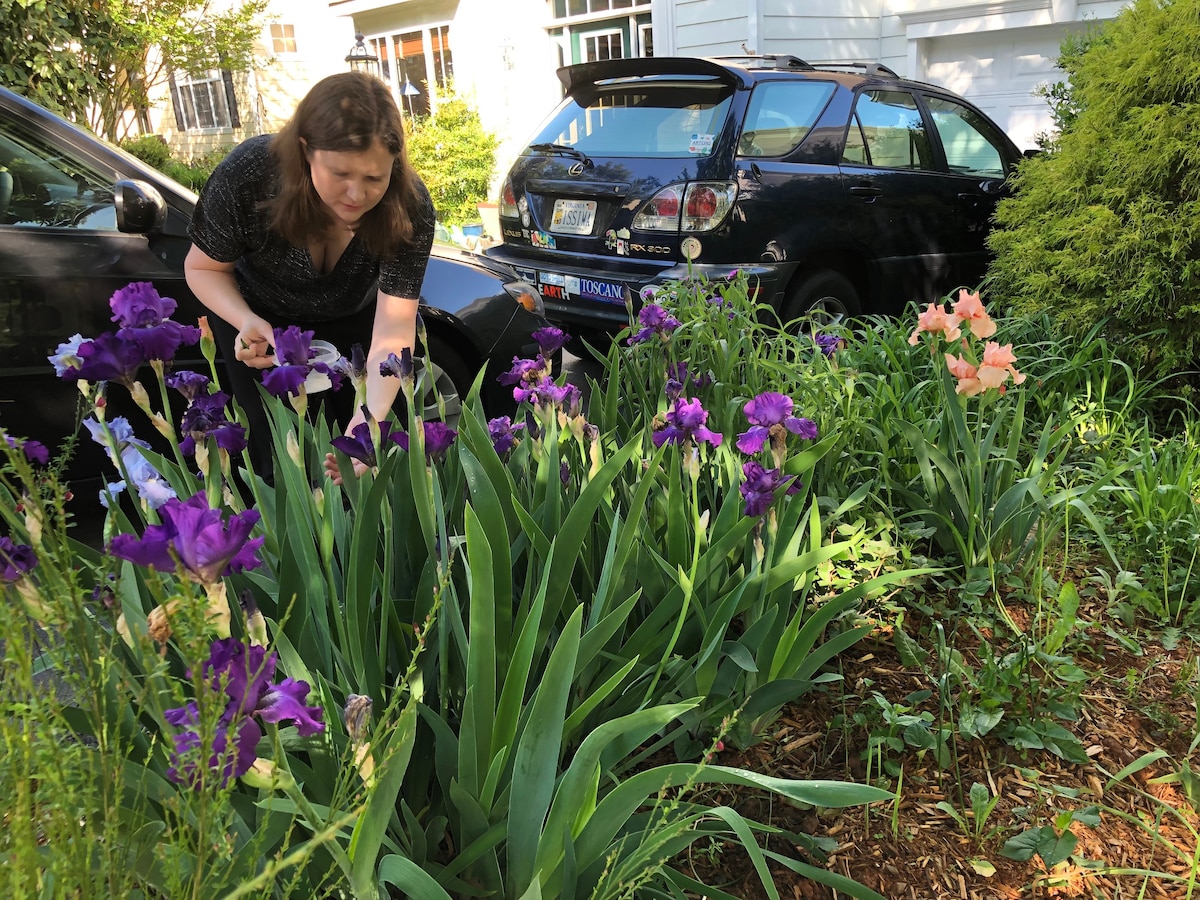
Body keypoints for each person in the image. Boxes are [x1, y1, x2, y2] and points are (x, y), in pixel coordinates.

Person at [184, 71, 435, 483]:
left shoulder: (409, 206)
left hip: (362, 326)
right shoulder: (249, 177)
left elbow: (393, 327)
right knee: (283, 469)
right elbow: (203, 268)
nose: (356, 195)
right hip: (264, 331)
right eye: (340, 174)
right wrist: (243, 319)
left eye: (374, 178)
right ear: (305, 151)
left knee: (377, 463)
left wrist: (366, 424)